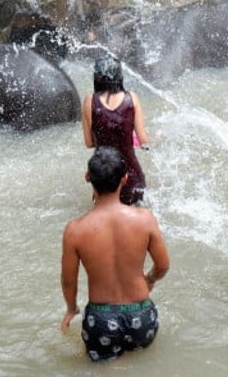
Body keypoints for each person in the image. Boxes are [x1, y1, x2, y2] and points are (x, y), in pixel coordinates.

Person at [60, 147, 169, 362]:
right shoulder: (145, 219)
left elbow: (68, 281)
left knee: (105, 376)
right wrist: (150, 279)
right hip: (142, 315)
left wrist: (71, 309)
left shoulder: (75, 230)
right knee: (141, 368)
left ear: (87, 178)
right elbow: (163, 265)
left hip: (100, 320)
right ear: (125, 179)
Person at [81, 56, 150, 205]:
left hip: (103, 178)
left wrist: (106, 138)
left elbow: (89, 143)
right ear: (119, 76)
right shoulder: (132, 98)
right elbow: (143, 140)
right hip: (131, 175)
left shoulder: (89, 101)